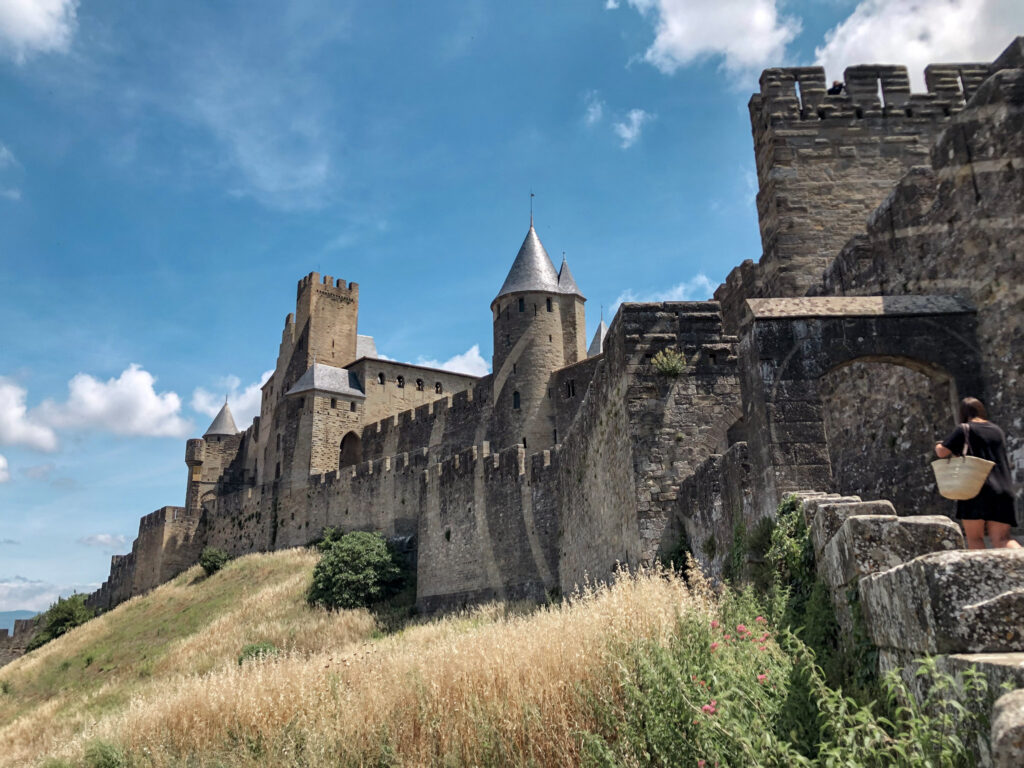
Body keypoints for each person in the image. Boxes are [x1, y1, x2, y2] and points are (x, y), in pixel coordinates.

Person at [935, 397, 1020, 549]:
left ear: (962, 413)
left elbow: (942, 452)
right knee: (1003, 540)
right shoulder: (996, 430)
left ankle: (984, 573)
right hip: (1003, 489)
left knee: (975, 539)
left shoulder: (964, 428)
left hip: (975, 489)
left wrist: (938, 445)